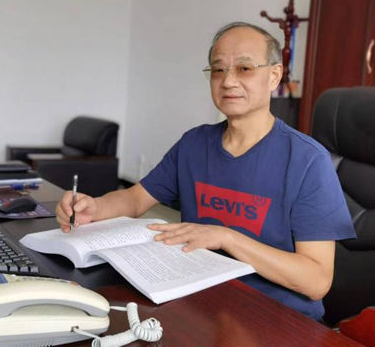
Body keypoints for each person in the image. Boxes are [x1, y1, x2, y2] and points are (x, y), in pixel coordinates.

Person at [55, 22, 355, 320]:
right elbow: (135, 199)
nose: (228, 81)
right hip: (198, 302)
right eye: (218, 69)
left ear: (274, 76)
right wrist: (94, 208)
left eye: (244, 68)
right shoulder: (194, 144)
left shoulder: (307, 160)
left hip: (276, 320)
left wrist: (227, 238)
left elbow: (316, 281)